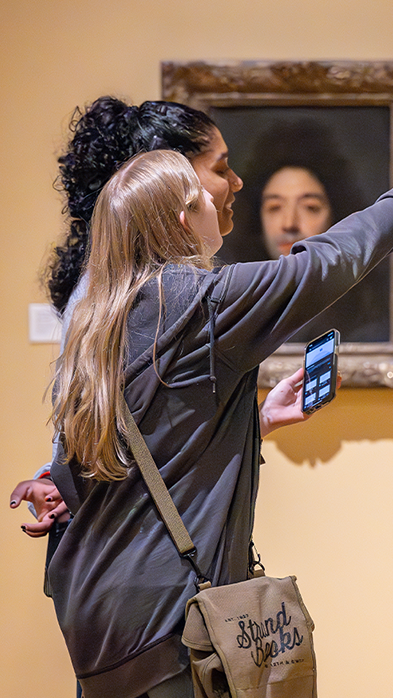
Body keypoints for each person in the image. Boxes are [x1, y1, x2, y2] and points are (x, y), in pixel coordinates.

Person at [46, 121, 393, 698]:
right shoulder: (201, 301)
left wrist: (251, 422)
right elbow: (333, 259)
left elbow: (133, 454)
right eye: (206, 196)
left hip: (94, 611)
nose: (220, 201)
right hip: (167, 624)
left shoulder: (95, 321)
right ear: (186, 220)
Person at [10, 98, 320, 542]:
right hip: (140, 563)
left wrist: (258, 420)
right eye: (221, 167)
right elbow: (97, 442)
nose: (236, 181)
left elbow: (153, 430)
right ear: (172, 179)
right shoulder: (124, 295)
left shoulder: (144, 287)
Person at [220, 118, 390, 343]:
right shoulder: (231, 306)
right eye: (274, 207)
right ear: (255, 219)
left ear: (337, 215)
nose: (289, 223)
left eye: (310, 207)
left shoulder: (369, 314)